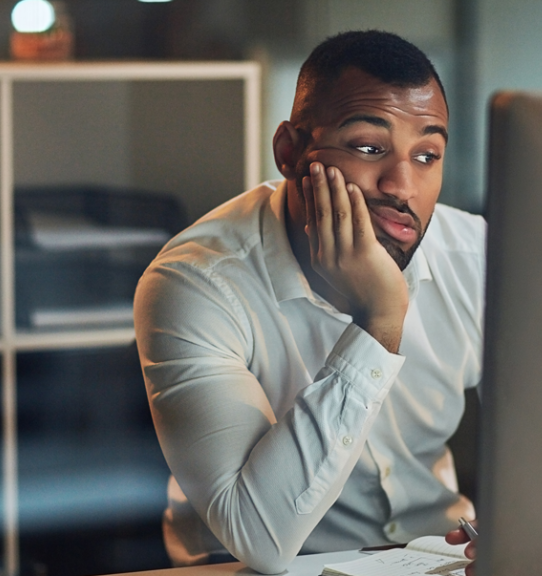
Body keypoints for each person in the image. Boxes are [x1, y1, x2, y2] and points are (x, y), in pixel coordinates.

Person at [134, 30, 484, 574]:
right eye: (369, 148)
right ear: (290, 152)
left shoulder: (475, 256)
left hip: (434, 557)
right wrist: (379, 321)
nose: (402, 185)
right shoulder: (194, 282)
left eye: (427, 155)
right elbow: (259, 537)